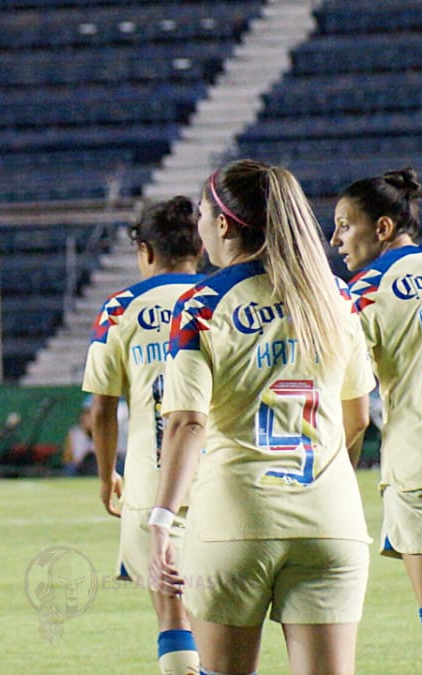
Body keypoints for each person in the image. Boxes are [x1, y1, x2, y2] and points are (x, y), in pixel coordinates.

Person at [148, 160, 375, 674]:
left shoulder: (203, 304)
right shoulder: (335, 297)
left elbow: (187, 423)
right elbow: (357, 416)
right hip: (330, 519)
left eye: (205, 213)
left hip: (236, 519)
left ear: (223, 224)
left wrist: (161, 521)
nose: (201, 224)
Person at [82, 196, 203, 673]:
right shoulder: (222, 299)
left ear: (145, 251)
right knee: (223, 624)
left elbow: (103, 408)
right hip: (222, 482)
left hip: (151, 488)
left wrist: (106, 475)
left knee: (172, 616)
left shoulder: (120, 311)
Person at [330, 167, 422, 628]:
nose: (335, 239)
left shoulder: (362, 292)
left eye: (345, 225)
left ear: (383, 228)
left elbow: (351, 407)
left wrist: (334, 481)